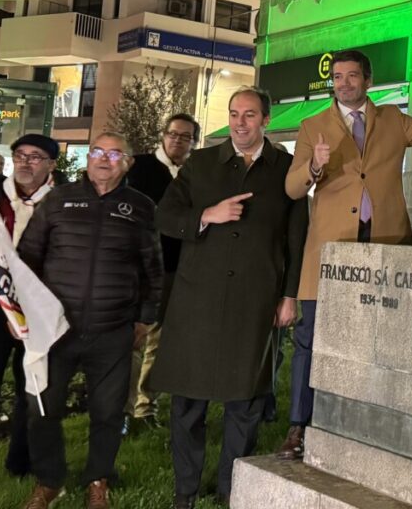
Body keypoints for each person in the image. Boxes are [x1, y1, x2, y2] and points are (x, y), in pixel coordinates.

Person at [280, 49, 412, 460]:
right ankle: (298, 425)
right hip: (329, 251)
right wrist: (313, 167)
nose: (343, 83)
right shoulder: (312, 126)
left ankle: (366, 419)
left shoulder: (394, 120)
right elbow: (292, 188)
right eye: (337, 77)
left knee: (380, 338)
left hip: (386, 244)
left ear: (368, 79)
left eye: (352, 76)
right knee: (310, 341)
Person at [151, 87, 307, 508]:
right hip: (197, 299)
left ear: (266, 120)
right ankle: (185, 490)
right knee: (189, 401)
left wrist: (290, 294)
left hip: (256, 299)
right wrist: (206, 215)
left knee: (246, 400)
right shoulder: (200, 164)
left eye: (250, 115)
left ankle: (230, 487)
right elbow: (163, 216)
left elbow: (298, 238)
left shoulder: (287, 170)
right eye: (234, 114)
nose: (240, 122)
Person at [18, 132, 163, 509]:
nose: (104, 159)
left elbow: (153, 270)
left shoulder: (141, 207)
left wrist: (145, 320)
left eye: (115, 154)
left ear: (127, 163)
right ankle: (50, 482)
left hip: (113, 329)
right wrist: (21, 312)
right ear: (87, 159)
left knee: (108, 412)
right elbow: (27, 257)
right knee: (42, 408)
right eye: (98, 151)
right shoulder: (59, 200)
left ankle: (98, 479)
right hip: (55, 330)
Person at [0, 135, 59, 489]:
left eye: (35, 157)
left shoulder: (63, 202)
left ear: (51, 164)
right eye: (19, 155)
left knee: (31, 392)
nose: (24, 163)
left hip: (35, 313)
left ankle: (21, 462)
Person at [122, 113, 199, 435]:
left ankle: (145, 408)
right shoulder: (137, 167)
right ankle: (123, 411)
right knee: (132, 340)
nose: (177, 140)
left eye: (185, 137)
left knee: (159, 341)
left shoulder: (195, 174)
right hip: (137, 268)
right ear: (162, 135)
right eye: (173, 134)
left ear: (194, 142)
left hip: (173, 269)